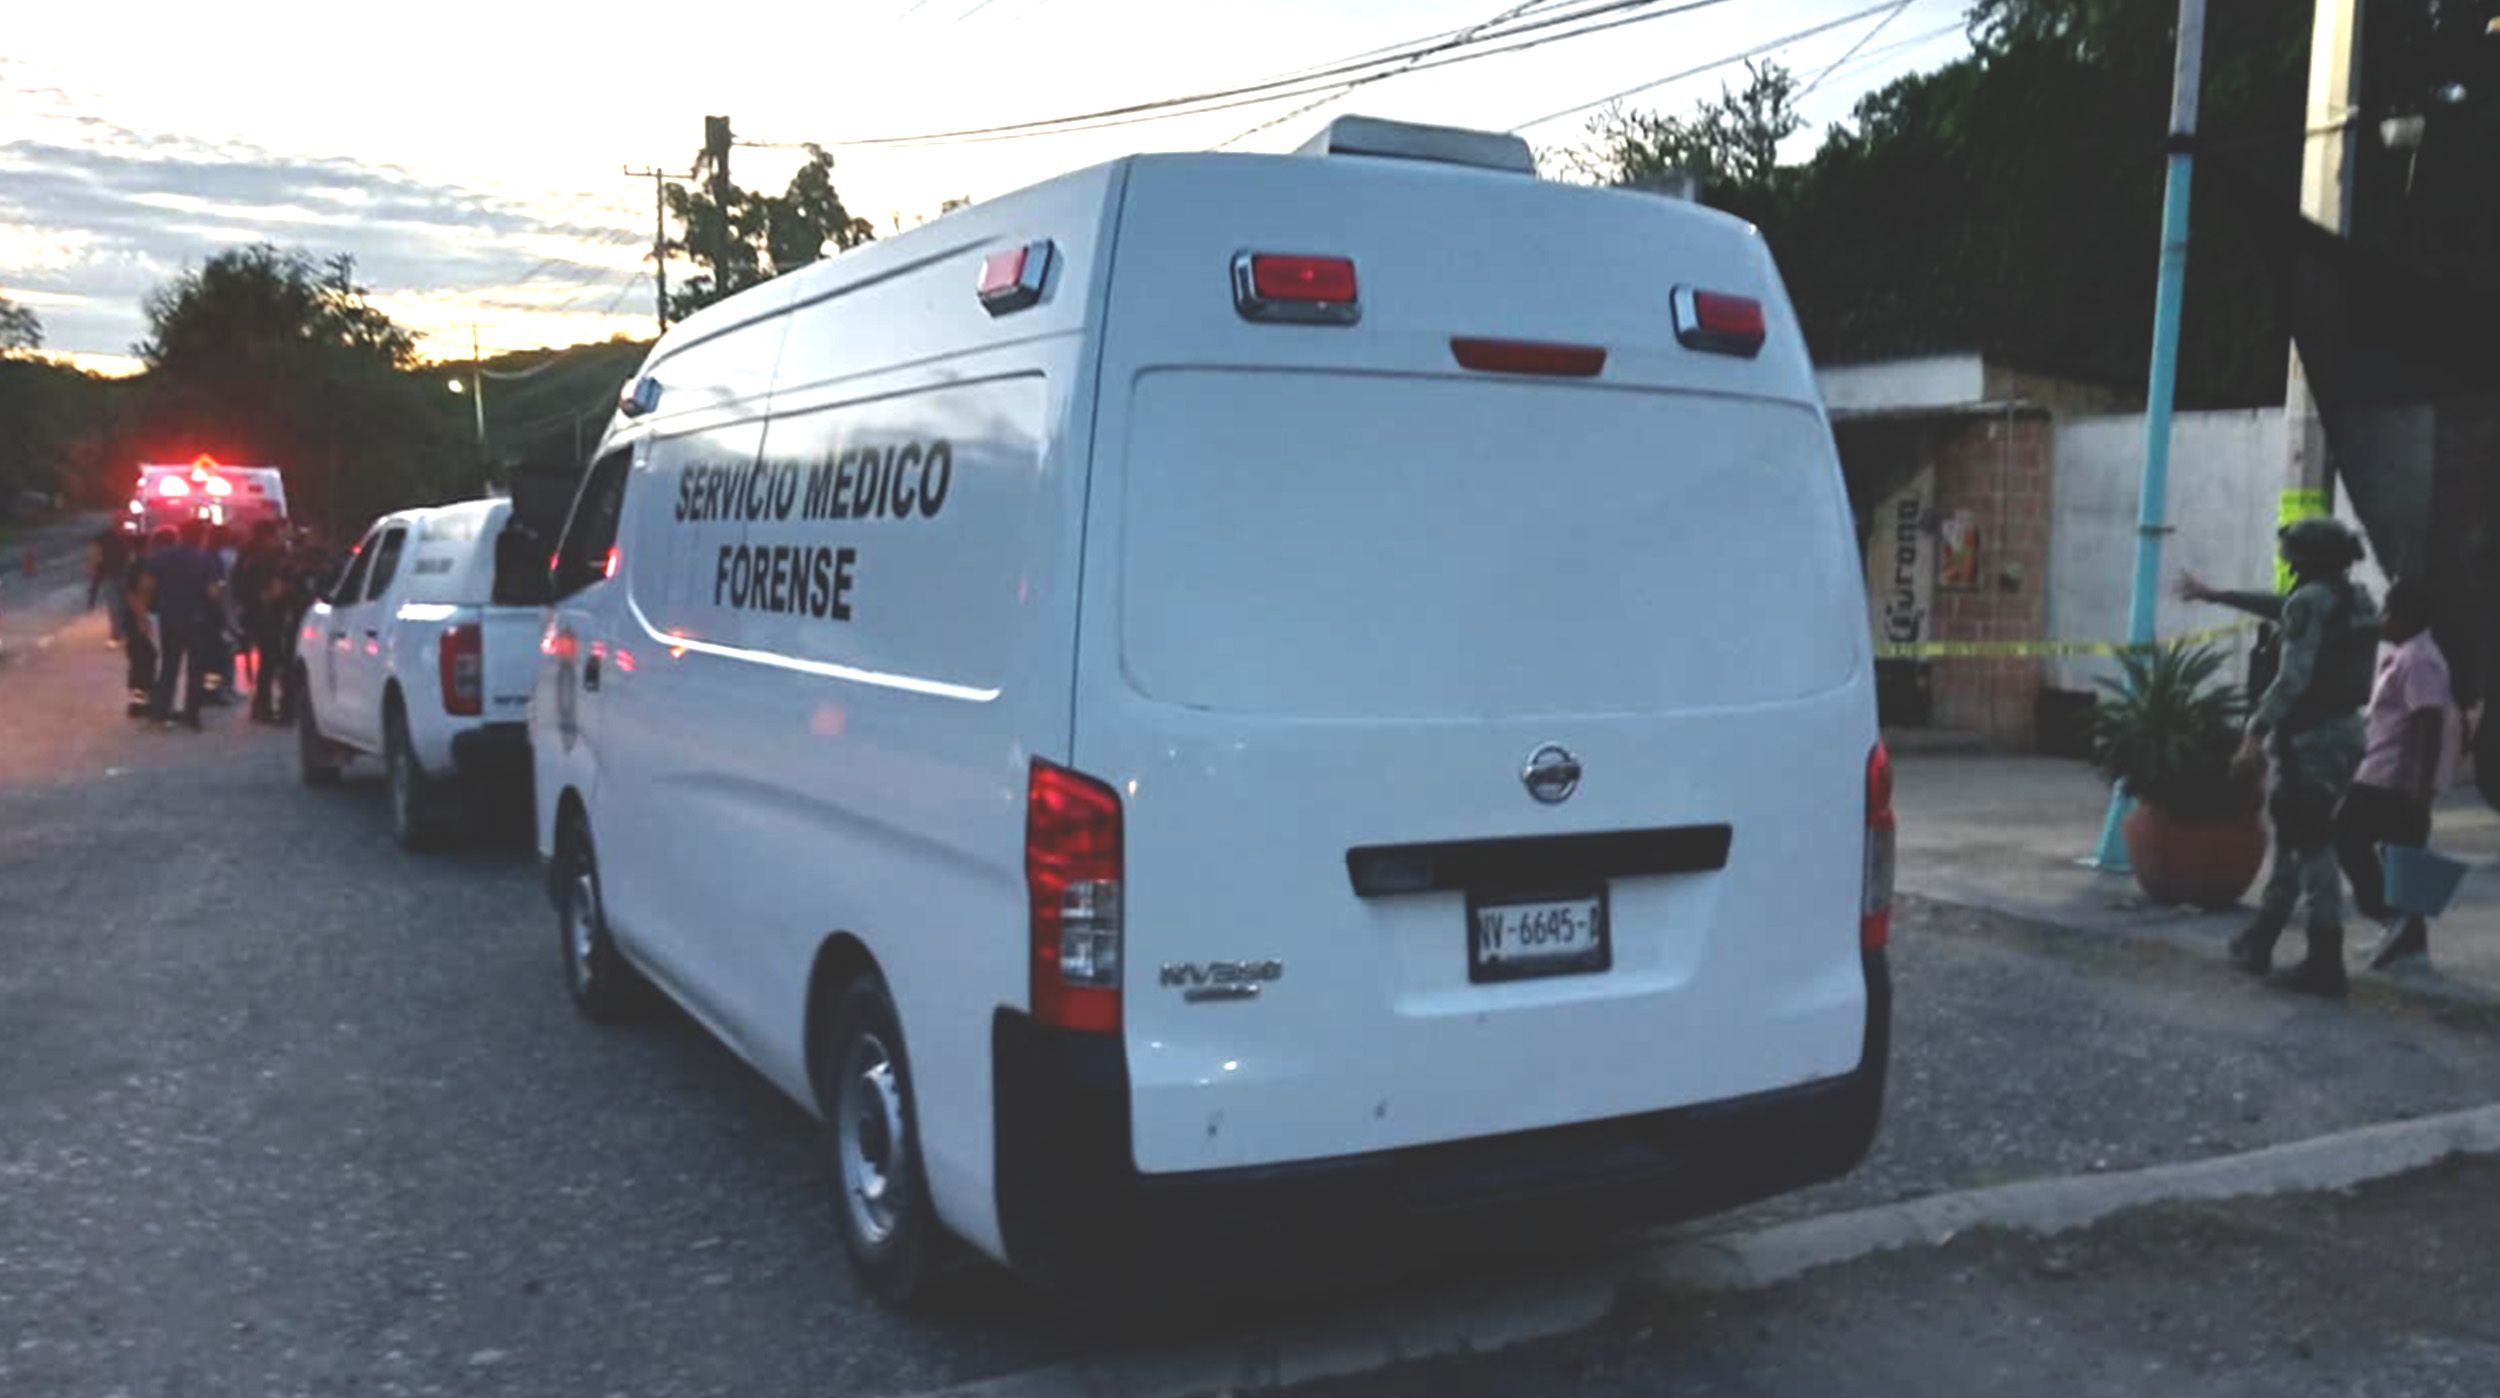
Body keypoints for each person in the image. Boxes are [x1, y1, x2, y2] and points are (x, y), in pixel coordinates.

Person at [2179, 517, 2379, 997]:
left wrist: (2254, 732)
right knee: (2294, 835)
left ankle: (2325, 958)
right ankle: (2262, 937)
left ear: (2307, 559)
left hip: (2309, 736)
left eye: (2293, 556)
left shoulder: (2311, 601)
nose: (2289, 564)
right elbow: (2287, 607)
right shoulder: (2355, 598)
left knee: (2311, 841)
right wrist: (2219, 595)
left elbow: (2292, 678)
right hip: (2344, 732)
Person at [2336, 578, 2453, 969]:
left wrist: (2419, 794)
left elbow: (2428, 724)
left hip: (2391, 778)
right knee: (2398, 858)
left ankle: (2390, 919)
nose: (2382, 620)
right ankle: (2408, 942)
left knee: (2346, 836)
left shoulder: (2420, 660)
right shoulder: (2409, 654)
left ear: (2408, 616)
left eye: (2389, 613)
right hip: (2383, 772)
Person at [143, 519, 227, 730]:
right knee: (196, 669)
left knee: (168, 667)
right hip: (197, 620)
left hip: (169, 618)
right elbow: (213, 592)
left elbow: (147, 585)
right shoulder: (205, 559)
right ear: (202, 536)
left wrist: (145, 612)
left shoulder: (161, 557)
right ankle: (192, 715)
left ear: (180, 534)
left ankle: (160, 713)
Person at [232, 520, 293, 725]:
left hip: (252, 613)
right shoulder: (268, 557)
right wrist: (287, 591)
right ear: (269, 536)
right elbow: (272, 591)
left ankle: (261, 705)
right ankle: (267, 706)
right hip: (268, 615)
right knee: (273, 660)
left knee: (267, 662)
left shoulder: (245, 555)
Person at [121, 530, 165, 717]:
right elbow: (132, 594)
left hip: (136, 619)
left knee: (143, 659)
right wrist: (142, 618)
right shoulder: (143, 565)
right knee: (143, 659)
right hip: (141, 619)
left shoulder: (136, 565)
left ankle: (141, 701)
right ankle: (141, 703)